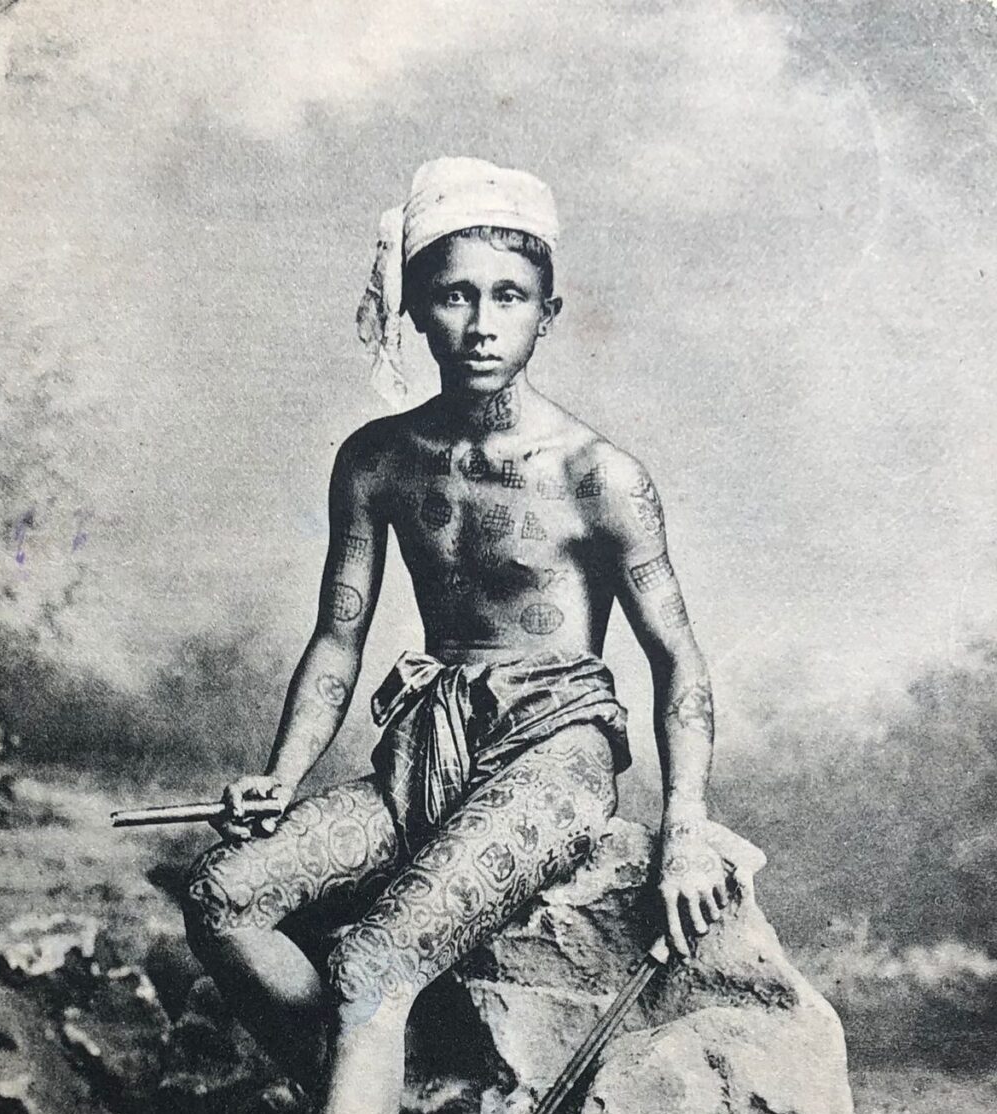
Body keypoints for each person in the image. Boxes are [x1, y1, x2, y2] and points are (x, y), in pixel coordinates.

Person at [183, 157, 728, 1114]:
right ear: (413, 308)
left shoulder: (601, 475)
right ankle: (372, 1086)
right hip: (426, 747)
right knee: (223, 897)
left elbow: (676, 657)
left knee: (373, 960)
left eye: (509, 297)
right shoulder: (377, 458)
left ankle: (369, 1070)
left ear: (547, 314)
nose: (481, 324)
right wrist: (283, 773)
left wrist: (683, 827)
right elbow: (339, 639)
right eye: (453, 296)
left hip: (556, 752)